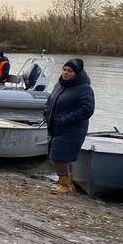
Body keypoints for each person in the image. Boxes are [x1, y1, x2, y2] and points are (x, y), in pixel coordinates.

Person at [43, 58, 95, 194]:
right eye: (64, 70)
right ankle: (67, 183)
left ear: (77, 73)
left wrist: (66, 119)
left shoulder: (84, 89)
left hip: (73, 129)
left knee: (59, 156)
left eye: (70, 71)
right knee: (61, 155)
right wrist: (46, 114)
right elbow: (50, 101)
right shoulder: (59, 85)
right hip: (56, 127)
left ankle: (65, 185)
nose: (66, 73)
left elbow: (87, 109)